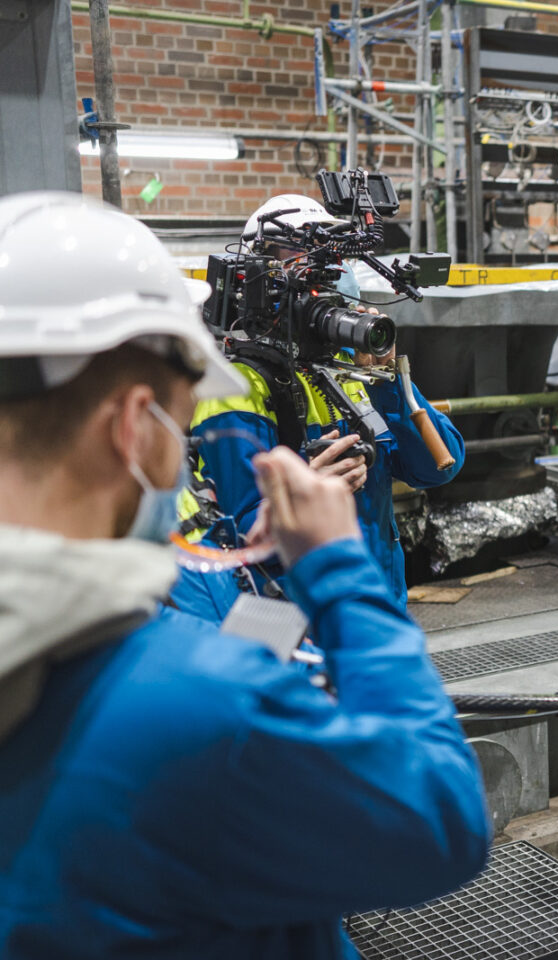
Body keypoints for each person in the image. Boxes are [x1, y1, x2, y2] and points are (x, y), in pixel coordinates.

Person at [0, 191, 490, 958]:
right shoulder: (202, 703)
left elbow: (440, 462)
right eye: (179, 414)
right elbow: (440, 818)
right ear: (133, 426)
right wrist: (335, 575)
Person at [170, 193, 465, 620]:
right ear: (258, 274)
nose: (326, 276)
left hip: (374, 605)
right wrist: (302, 493)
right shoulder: (237, 386)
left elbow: (440, 465)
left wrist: (388, 382)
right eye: (299, 256)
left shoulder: (352, 367)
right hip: (292, 623)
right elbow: (236, 537)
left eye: (332, 262)